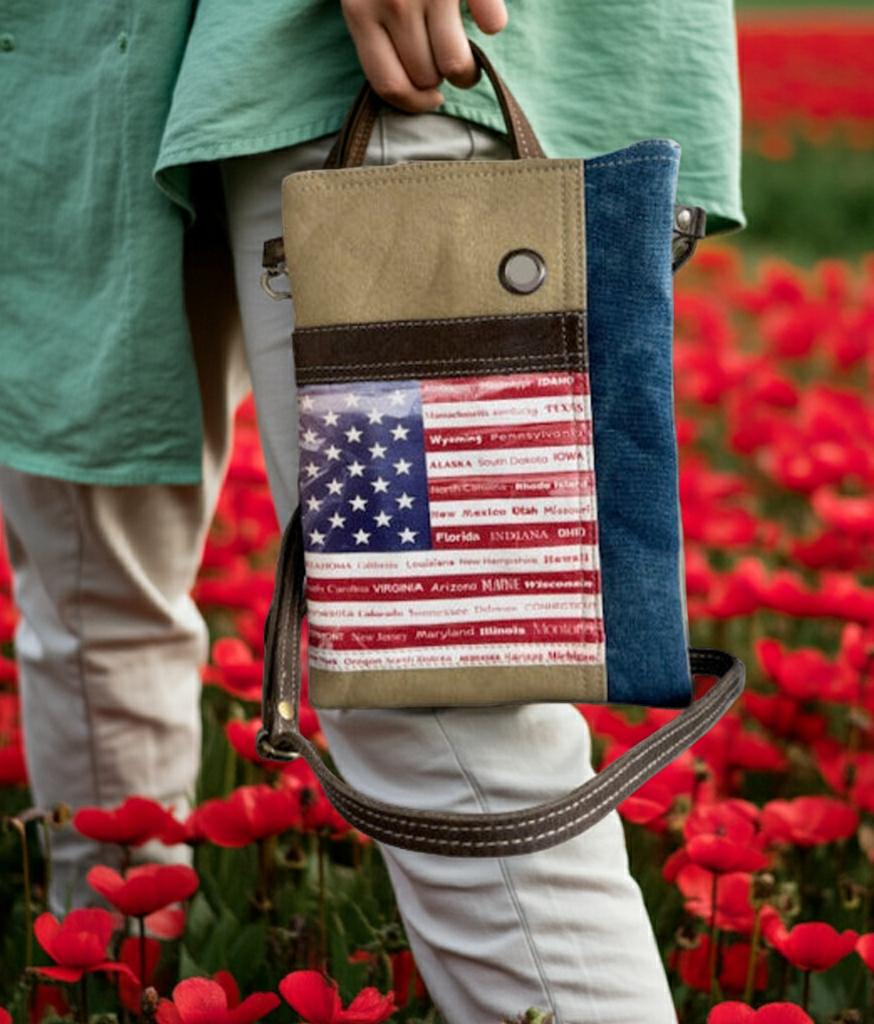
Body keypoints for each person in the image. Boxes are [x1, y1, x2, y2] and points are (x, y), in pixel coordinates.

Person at [0, 1, 742, 1019]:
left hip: (357, 45)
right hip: (75, 76)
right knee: (91, 600)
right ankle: (108, 992)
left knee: (438, 681)